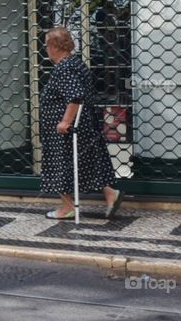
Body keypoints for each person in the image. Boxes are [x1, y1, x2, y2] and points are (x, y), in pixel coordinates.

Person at [40, 27, 123, 220]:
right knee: (87, 161)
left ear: (55, 46)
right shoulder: (75, 63)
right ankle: (111, 194)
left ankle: (67, 207)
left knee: (61, 164)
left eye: (47, 45)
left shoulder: (65, 66)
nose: (46, 49)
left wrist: (65, 121)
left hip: (67, 129)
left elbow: (75, 96)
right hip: (83, 124)